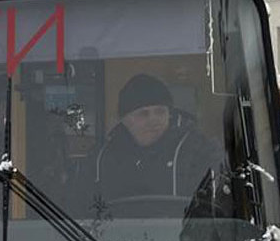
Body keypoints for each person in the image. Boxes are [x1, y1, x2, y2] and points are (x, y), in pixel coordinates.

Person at [89, 74, 224, 212]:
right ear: (125, 120)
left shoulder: (199, 150)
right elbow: (83, 211)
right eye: (143, 113)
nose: (153, 120)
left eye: (160, 112)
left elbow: (214, 207)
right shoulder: (102, 158)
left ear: (170, 114)